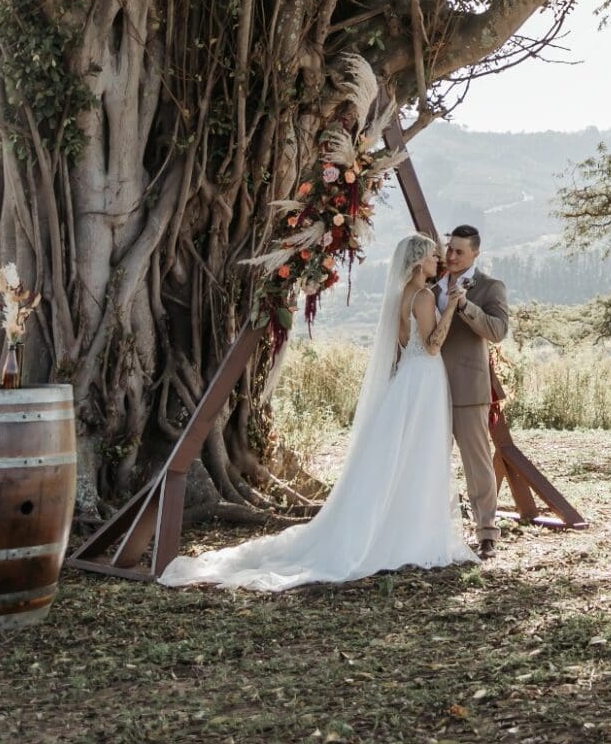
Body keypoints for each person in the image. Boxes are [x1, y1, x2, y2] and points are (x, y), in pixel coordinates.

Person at [160, 233, 475, 591]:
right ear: (419, 262)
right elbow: (432, 346)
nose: (438, 261)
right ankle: (412, 533)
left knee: (406, 457)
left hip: (409, 379)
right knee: (419, 455)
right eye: (434, 256)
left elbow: (405, 344)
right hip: (423, 379)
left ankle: (405, 528)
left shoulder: (401, 296)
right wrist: (451, 306)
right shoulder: (421, 296)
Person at [435, 224, 513, 556]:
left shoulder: (490, 287)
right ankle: (432, 529)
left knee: (477, 464)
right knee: (430, 463)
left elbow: (497, 331)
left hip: (469, 388)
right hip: (429, 389)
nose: (451, 256)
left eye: (459, 251)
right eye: (449, 249)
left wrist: (465, 305)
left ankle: (486, 532)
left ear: (475, 254)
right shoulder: (429, 284)